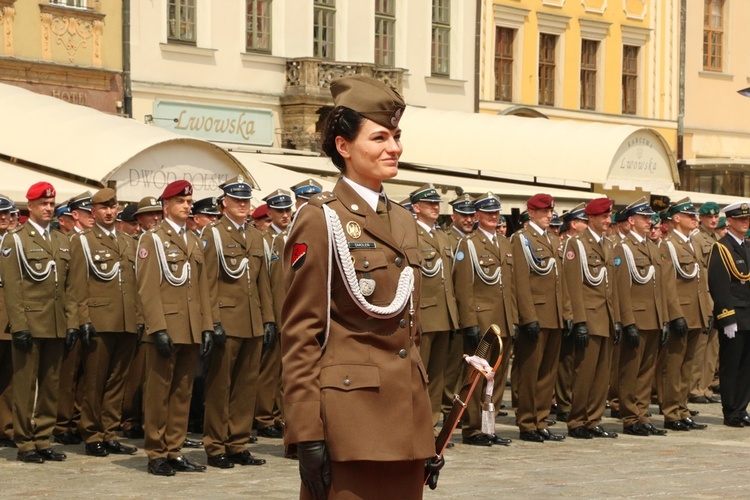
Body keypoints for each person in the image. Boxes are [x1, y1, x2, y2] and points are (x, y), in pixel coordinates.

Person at [282, 75, 438, 499]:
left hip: (406, 424)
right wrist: (306, 432)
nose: (394, 147)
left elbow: (411, 335)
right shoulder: (320, 218)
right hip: (350, 426)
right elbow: (301, 335)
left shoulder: (404, 219)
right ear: (344, 146)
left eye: (397, 136)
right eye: (380, 137)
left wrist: (424, 431)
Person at [136, 180, 214, 476]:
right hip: (167, 325)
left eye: (189, 201)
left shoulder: (194, 239)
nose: (188, 205)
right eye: (181, 201)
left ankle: (175, 449)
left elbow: (203, 287)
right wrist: (157, 328)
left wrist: (206, 325)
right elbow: (147, 288)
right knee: (159, 392)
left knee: (183, 391)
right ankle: (156, 452)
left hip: (191, 326)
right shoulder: (152, 239)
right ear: (166, 206)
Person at [1, 182, 78, 463]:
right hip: (30, 322)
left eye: (52, 203)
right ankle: (24, 442)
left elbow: (68, 287)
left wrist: (71, 322)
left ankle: (43, 438)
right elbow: (12, 286)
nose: (48, 208)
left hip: (56, 322)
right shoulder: (16, 239)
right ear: (30, 206)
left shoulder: (61, 239)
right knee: (25, 385)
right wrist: (19, 325)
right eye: (43, 203)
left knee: (50, 384)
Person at [201, 175, 273, 469]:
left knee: (246, 385)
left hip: (252, 319)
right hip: (227, 319)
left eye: (246, 200)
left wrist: (268, 319)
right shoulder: (214, 235)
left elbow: (263, 283)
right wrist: (212, 321)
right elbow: (206, 283)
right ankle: (216, 446)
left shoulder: (256, 236)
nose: (243, 205)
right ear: (224, 204)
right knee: (220, 386)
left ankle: (238, 443)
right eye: (237, 200)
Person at [68, 188, 141, 457]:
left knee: (117, 381)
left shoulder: (128, 241)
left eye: (112, 207)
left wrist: (139, 317)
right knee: (94, 381)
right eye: (102, 208)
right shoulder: (83, 241)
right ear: (93, 212)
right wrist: (82, 319)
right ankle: (91, 434)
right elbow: (77, 285)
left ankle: (110, 431)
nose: (109, 212)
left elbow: (136, 285)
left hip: (126, 320)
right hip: (99, 319)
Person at [613, 197, 683, 436]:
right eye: (644, 218)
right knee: (630, 371)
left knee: (646, 372)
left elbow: (660, 287)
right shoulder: (623, 248)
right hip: (637, 318)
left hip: (653, 318)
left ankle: (642, 415)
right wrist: (628, 322)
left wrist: (664, 319)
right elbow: (621, 290)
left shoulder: (653, 247)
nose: (649, 222)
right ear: (631, 221)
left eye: (650, 218)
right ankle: (630, 417)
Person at [453, 192, 516, 446]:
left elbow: (512, 287)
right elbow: (463, 287)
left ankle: (489, 428)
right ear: (477, 215)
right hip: (482, 321)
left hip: (503, 319)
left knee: (497, 378)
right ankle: (472, 429)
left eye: (496, 213)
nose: (493, 217)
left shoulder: (505, 244)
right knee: (478, 378)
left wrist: (516, 320)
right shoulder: (469, 244)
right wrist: (469, 323)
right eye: (488, 213)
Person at [512, 193, 571, 443]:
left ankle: (541, 419)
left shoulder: (552, 239)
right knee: (530, 371)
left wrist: (567, 312)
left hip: (554, 314)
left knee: (548, 372)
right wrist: (527, 316)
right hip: (536, 313)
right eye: (544, 211)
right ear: (531, 213)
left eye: (551, 211)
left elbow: (561, 281)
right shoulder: (522, 240)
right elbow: (521, 281)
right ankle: (527, 423)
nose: (549, 215)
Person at [562, 198, 620, 439]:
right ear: (592, 218)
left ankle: (594, 420)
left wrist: (616, 318)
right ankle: (577, 420)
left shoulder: (608, 244)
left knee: (601, 375)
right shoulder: (577, 244)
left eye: (609, 217)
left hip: (605, 317)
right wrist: (579, 320)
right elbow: (573, 285)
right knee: (584, 373)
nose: (608, 221)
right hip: (589, 315)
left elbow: (611, 285)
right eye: (604, 217)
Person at [409, 184, 460, 438]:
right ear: (416, 207)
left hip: (445, 314)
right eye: (429, 204)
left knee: (438, 376)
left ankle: (431, 426)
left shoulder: (443, 236)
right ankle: (417, 428)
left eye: (436, 203)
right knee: (420, 375)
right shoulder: (411, 235)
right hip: (425, 314)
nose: (435, 207)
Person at [658, 198, 710, 431]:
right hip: (681, 312)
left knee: (688, 365)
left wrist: (705, 310)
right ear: (676, 219)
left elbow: (700, 281)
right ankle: (671, 412)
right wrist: (675, 314)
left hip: (696, 311)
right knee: (674, 364)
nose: (694, 219)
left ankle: (682, 408)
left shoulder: (692, 243)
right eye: (689, 216)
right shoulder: (669, 245)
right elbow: (668, 284)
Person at [120, 195, 164, 440]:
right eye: (149, 214)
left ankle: (154, 424)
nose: (155, 218)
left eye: (158, 213)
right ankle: (130, 420)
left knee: (153, 379)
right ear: (138, 219)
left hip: (157, 317)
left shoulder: (163, 242)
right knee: (136, 377)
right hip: (138, 318)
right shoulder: (133, 244)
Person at [707, 201, 750, 427]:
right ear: (730, 221)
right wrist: (727, 317)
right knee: (731, 365)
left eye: (747, 219)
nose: (745, 222)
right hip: (734, 315)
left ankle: (742, 408)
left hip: (749, 315)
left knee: (746, 366)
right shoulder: (721, 247)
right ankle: (730, 409)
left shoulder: (747, 246)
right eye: (740, 219)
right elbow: (719, 285)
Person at [256, 189, 292, 439]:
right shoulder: (265, 239)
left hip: (290, 312)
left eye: (288, 210)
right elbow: (269, 283)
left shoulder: (291, 237)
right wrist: (273, 316)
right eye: (280, 211)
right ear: (269, 212)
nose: (285, 215)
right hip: (273, 312)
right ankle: (264, 416)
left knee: (286, 371)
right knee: (270, 371)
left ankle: (281, 415)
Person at [441, 194, 476, 420]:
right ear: (453, 216)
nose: (469, 219)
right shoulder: (447, 239)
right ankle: (447, 412)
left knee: (469, 368)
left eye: (472, 215)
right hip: (454, 313)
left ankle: (464, 412)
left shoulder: (475, 240)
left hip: (474, 312)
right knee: (451, 370)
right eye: (464, 215)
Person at [555, 202, 588, 423]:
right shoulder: (567, 246)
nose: (587, 224)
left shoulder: (582, 246)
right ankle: (564, 403)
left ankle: (572, 402)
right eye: (584, 221)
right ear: (574, 224)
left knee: (576, 361)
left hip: (584, 309)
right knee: (566, 361)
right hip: (569, 309)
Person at [690, 202, 721, 404]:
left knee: (713, 346)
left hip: (718, 295)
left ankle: (707, 386)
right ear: (700, 218)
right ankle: (694, 388)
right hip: (705, 296)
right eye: (709, 217)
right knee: (700, 346)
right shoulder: (697, 238)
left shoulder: (717, 238)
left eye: (716, 216)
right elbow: (699, 273)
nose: (713, 219)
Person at [0, 194, 15, 448]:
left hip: (11, 315)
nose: (3, 218)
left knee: (11, 377)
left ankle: (7, 427)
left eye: (6, 214)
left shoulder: (16, 241)